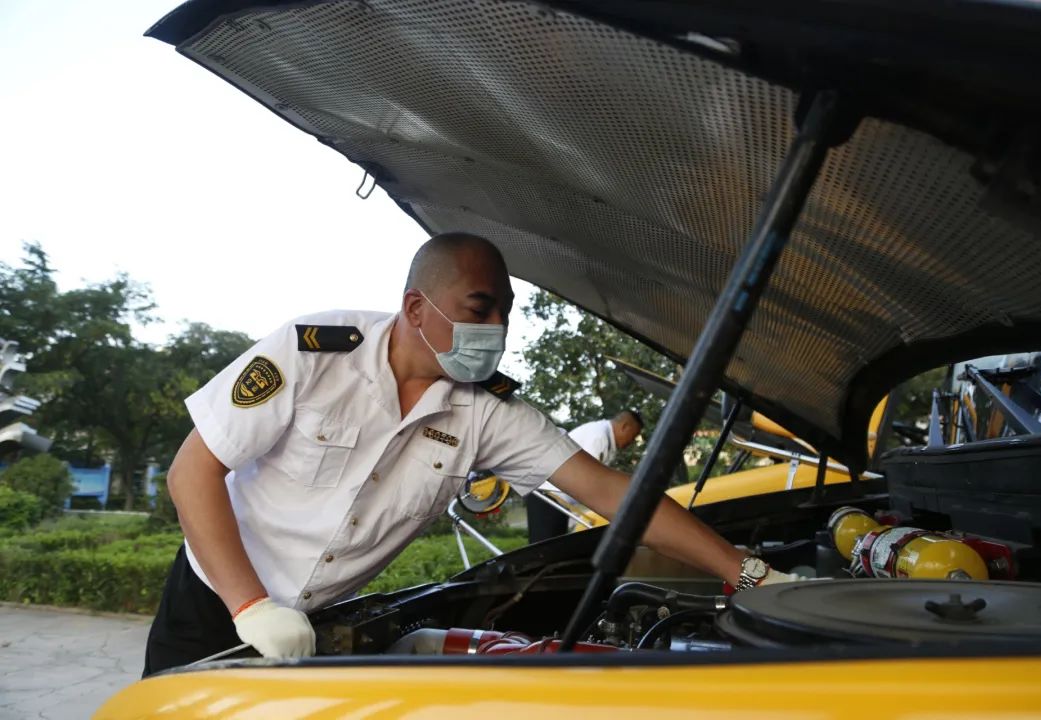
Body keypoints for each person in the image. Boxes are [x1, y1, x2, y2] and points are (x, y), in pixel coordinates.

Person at [144, 232, 796, 676]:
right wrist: (250, 607)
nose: (496, 332)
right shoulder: (313, 354)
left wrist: (742, 569)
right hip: (211, 602)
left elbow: (610, 494)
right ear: (415, 307)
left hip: (313, 623)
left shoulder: (488, 411)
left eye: (505, 316)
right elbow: (193, 471)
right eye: (479, 309)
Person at [526, 410, 643, 543]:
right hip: (548, 496)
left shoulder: (604, 437)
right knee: (544, 552)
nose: (632, 441)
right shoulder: (599, 438)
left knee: (554, 550)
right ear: (625, 427)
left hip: (556, 498)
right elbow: (589, 483)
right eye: (633, 436)